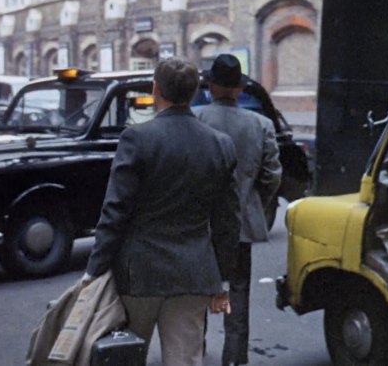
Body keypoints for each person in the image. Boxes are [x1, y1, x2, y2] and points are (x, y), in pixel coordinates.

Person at [83, 57, 241, 366]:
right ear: (195, 92)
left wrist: (95, 269)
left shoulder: (137, 139)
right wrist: (222, 278)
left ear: (156, 90)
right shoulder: (221, 145)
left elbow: (115, 211)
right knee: (185, 359)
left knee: (125, 355)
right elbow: (227, 221)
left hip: (139, 272)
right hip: (194, 272)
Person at [194, 53, 282, 366]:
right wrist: (256, 201)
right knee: (239, 291)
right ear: (240, 89)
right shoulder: (260, 124)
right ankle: (234, 358)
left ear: (211, 87)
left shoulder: (196, 121)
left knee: (197, 292)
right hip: (242, 224)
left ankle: (195, 352)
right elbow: (273, 176)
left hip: (200, 226)